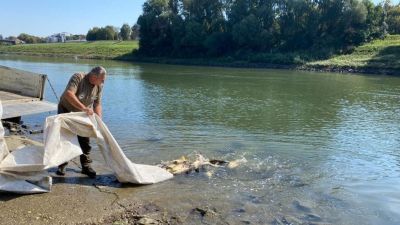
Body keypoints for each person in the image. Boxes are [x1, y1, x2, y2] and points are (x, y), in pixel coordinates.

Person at [56, 66, 106, 178]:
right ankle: (62, 164)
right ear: (94, 76)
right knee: (65, 138)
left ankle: (86, 166)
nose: (103, 82)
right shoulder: (78, 77)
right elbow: (69, 94)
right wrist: (83, 108)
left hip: (83, 114)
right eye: (102, 79)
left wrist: (99, 119)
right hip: (66, 110)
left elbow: (97, 104)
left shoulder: (99, 86)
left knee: (85, 139)